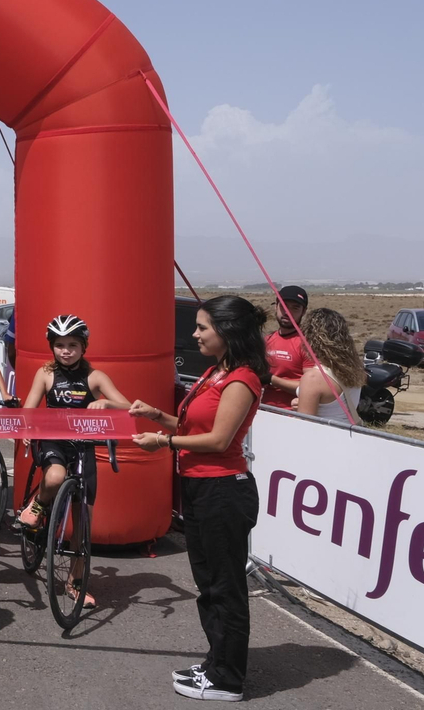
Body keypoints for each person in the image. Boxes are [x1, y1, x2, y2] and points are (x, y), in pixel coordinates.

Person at [129, 295, 268, 702]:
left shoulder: (243, 378)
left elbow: (219, 439)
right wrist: (158, 416)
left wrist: (164, 441)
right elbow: (195, 426)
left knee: (225, 588)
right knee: (208, 585)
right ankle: (216, 662)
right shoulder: (215, 372)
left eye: (203, 327)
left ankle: (228, 679)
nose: (195, 333)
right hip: (201, 489)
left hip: (223, 491)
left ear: (227, 332)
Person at [16, 315, 132, 608]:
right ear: (52, 347)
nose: (65, 351)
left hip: (84, 447)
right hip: (54, 441)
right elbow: (29, 407)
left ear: (83, 347)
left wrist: (106, 402)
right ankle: (39, 505)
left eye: (72, 345)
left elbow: (128, 405)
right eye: (59, 345)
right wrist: (28, 428)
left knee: (83, 524)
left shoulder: (95, 376)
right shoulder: (45, 373)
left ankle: (75, 582)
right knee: (54, 477)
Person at [293, 307, 363, 424]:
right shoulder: (355, 369)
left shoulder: (313, 378)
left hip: (323, 439)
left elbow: (304, 427)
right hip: (346, 436)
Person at [262, 286, 311, 410]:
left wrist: (271, 379)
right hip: (263, 412)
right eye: (283, 306)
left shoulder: (308, 344)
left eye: (295, 308)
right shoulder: (266, 340)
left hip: (292, 415)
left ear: (304, 311)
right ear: (276, 306)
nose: (287, 312)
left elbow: (312, 387)